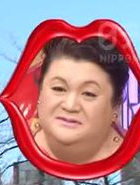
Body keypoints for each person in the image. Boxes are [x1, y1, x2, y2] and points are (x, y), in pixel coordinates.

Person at [30, 36, 130, 165]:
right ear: (40, 91)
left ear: (115, 104)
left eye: (89, 93)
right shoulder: (25, 140)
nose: (70, 106)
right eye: (58, 88)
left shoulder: (130, 154)